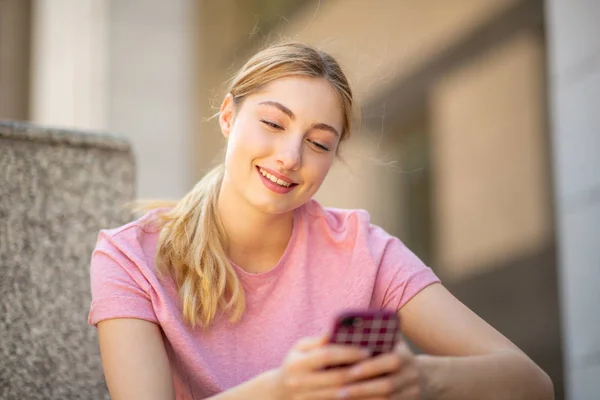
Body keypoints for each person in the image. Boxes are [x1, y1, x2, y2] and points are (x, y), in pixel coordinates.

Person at [89, 42, 553, 400]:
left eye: (319, 143)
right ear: (228, 116)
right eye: (273, 124)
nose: (290, 158)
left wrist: (421, 377)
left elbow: (532, 383)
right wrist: (282, 389)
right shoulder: (129, 257)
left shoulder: (362, 249)